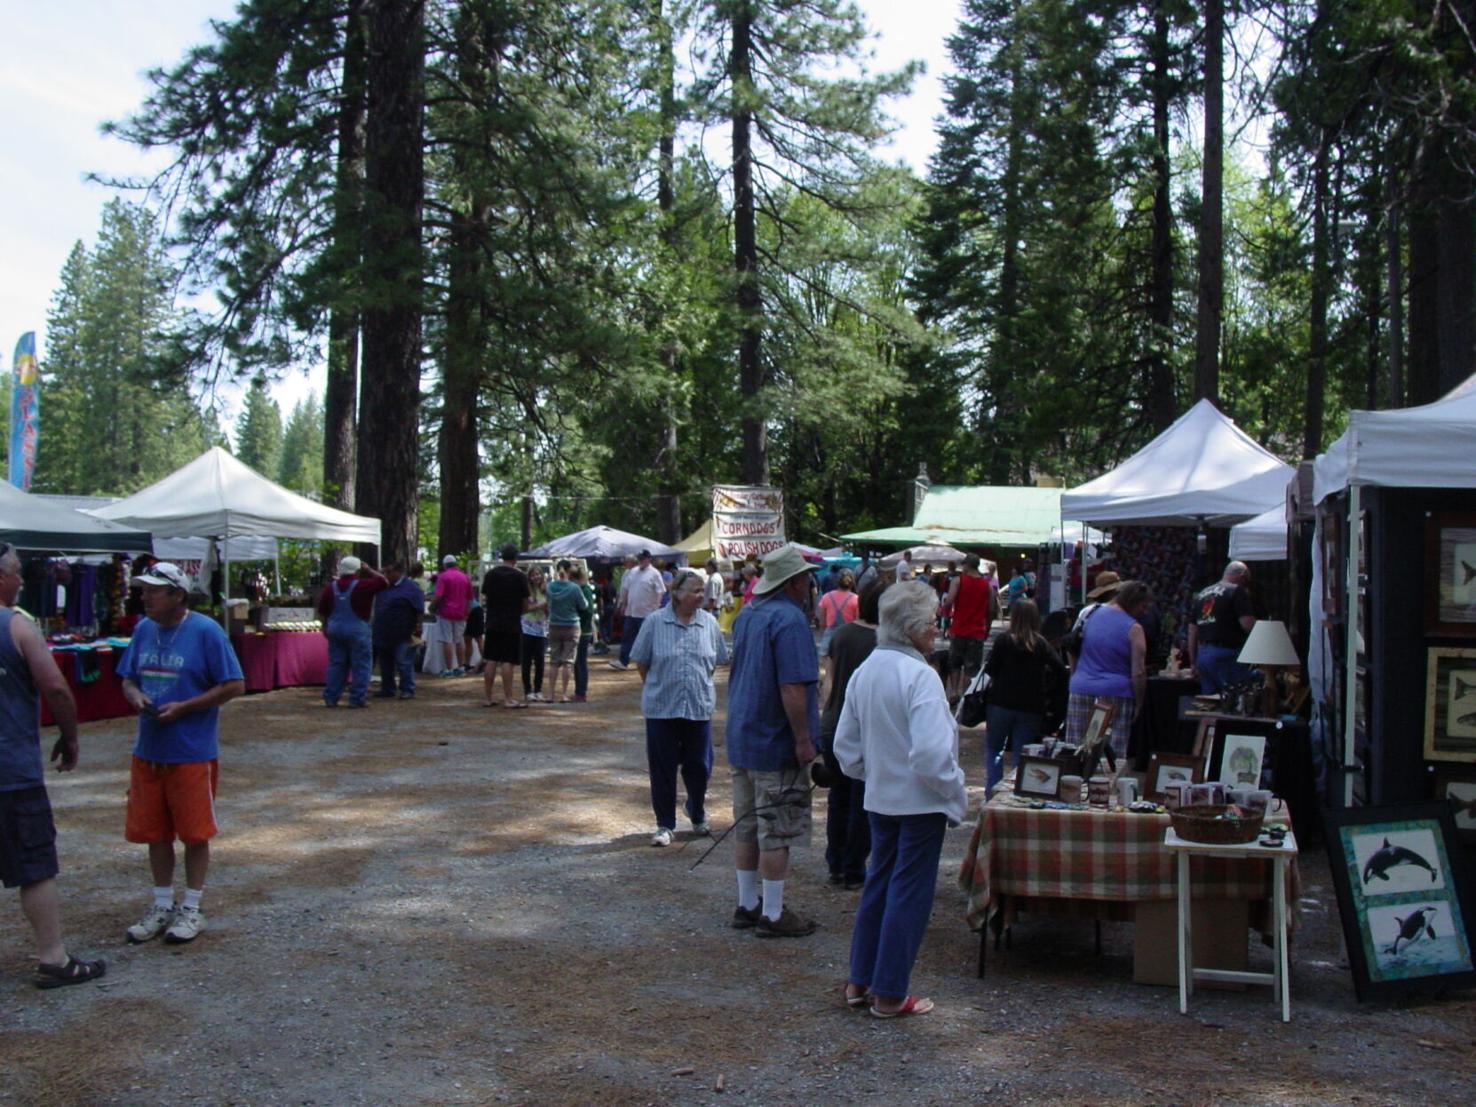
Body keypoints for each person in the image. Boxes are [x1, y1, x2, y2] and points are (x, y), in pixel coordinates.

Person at [833, 581, 967, 1019]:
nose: (937, 628)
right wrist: (953, 790)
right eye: (931, 622)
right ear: (911, 628)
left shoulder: (868, 669)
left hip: (881, 798)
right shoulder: (920, 676)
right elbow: (931, 754)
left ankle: (860, 980)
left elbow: (845, 747)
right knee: (908, 892)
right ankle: (889, 992)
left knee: (879, 885)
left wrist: (875, 775)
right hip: (919, 803)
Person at [118, 562, 245, 945]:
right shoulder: (143, 630)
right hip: (149, 751)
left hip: (190, 752)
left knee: (194, 833)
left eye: (154, 590)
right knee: (155, 832)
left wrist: (186, 707)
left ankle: (192, 906)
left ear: (178, 595)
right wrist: (136, 696)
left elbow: (235, 684)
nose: (145, 597)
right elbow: (127, 678)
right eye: (142, 590)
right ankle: (161, 904)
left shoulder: (206, 631)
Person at [0, 545, 106, 988]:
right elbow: (57, 689)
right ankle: (53, 958)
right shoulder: (16, 625)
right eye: (16, 571)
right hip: (11, 772)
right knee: (35, 865)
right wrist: (71, 735)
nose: (23, 580)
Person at [725, 544, 821, 938]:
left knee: (747, 823)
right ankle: (775, 914)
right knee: (777, 827)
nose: (810, 584)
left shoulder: (748, 614)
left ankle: (748, 904)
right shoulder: (790, 620)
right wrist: (803, 739)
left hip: (743, 735)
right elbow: (793, 686)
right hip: (774, 739)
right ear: (795, 582)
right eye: (806, 578)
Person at [630, 569, 729, 846]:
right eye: (695, 591)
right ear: (676, 593)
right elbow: (641, 661)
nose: (701, 596)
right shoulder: (654, 622)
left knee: (700, 765)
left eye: (702, 591)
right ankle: (664, 824)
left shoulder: (709, 623)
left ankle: (696, 811)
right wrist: (657, 687)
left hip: (698, 707)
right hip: (662, 708)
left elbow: (717, 660)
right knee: (663, 768)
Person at [819, 580, 883, 890]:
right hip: (861, 728)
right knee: (861, 801)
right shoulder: (881, 643)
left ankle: (835, 863)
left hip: (833, 721)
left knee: (838, 798)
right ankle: (854, 868)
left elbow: (828, 681)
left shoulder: (841, 634)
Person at [982, 599, 1067, 793]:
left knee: (995, 749)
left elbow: (991, 670)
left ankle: (992, 791)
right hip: (1031, 706)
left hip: (1001, 703)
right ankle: (1016, 792)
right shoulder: (1041, 644)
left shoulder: (1004, 640)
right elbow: (1061, 670)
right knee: (1022, 754)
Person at [1066, 579, 1153, 762]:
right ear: (1133, 602)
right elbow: (1138, 671)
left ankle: (1073, 786)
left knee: (1076, 750)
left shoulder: (1089, 613)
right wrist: (1139, 704)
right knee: (1112, 756)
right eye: (1143, 607)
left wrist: (1075, 676)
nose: (1144, 612)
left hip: (1081, 688)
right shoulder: (1134, 629)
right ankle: (1104, 789)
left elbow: (1071, 646)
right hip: (1117, 694)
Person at [316, 556, 388, 708]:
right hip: (357, 630)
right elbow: (383, 582)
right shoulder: (363, 585)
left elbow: (322, 610)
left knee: (337, 664)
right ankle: (357, 698)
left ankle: (331, 696)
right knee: (361, 665)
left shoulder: (331, 587)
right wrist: (369, 570)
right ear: (358, 570)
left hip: (335, 629)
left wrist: (324, 627)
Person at [1188, 561, 1257, 693]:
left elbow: (1192, 631)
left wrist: (1193, 663)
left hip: (1204, 655)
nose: (1246, 585)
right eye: (1246, 581)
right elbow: (1248, 625)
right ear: (1241, 576)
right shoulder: (1236, 590)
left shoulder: (1202, 594)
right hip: (1227, 655)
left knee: (1209, 703)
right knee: (1235, 701)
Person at [481, 545, 532, 708]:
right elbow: (525, 604)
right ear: (515, 558)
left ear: (502, 557)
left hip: (492, 622)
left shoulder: (490, 575)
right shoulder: (520, 577)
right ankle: (508, 698)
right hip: (511, 623)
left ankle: (488, 697)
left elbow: (485, 597)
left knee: (491, 659)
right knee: (507, 661)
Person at [941, 554, 991, 704]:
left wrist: (944, 610)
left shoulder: (958, 581)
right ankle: (965, 697)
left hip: (958, 629)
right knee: (971, 667)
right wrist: (987, 627)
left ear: (968, 565)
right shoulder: (986, 585)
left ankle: (954, 691)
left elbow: (949, 601)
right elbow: (991, 609)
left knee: (955, 663)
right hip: (976, 632)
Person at [372, 561, 425, 700]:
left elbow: (419, 609)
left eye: (389, 572)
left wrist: (418, 627)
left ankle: (408, 688)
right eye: (385, 572)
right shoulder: (383, 587)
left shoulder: (411, 588)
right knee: (385, 662)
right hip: (383, 631)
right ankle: (388, 687)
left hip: (403, 631)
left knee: (404, 662)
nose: (386, 575)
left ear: (398, 572)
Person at [610, 550, 664, 671]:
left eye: (642, 559)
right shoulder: (632, 572)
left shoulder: (654, 573)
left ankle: (651, 662)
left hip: (647, 613)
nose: (640, 561)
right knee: (627, 637)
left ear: (649, 559)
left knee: (647, 639)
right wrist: (622, 603)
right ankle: (623, 661)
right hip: (632, 611)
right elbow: (625, 589)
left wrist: (656, 607)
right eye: (639, 559)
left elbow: (660, 591)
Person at [546, 561, 589, 703]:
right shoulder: (574, 588)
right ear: (569, 571)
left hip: (554, 626)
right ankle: (564, 694)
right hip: (571, 626)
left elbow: (548, 604)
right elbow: (584, 605)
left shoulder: (550, 587)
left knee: (553, 661)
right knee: (567, 662)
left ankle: (550, 694)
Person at [430, 554, 475, 676]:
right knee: (459, 640)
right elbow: (470, 598)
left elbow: (438, 595)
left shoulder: (443, 577)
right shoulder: (465, 577)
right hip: (461, 613)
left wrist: (432, 607)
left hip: (446, 612)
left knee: (447, 640)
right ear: (456, 564)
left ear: (445, 565)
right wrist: (467, 612)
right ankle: (460, 668)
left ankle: (449, 669)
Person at [521, 567, 550, 702]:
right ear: (529, 577)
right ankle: (528, 690)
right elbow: (524, 609)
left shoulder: (546, 590)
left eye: (538, 574)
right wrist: (539, 606)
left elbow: (548, 610)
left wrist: (547, 609)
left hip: (541, 629)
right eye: (533, 575)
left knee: (540, 661)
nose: (536, 577)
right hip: (526, 628)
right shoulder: (526, 591)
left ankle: (538, 689)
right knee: (526, 661)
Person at [816, 570, 859, 661]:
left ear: (836, 582)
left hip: (830, 636)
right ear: (851, 583)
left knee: (827, 664)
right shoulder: (856, 599)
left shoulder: (826, 597)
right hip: (849, 636)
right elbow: (858, 621)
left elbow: (822, 623)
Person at [571, 565, 596, 702]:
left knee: (580, 662)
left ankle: (581, 692)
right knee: (577, 662)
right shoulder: (581, 589)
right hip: (580, 630)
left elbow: (588, 610)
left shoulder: (584, 590)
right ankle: (579, 691)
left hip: (583, 631)